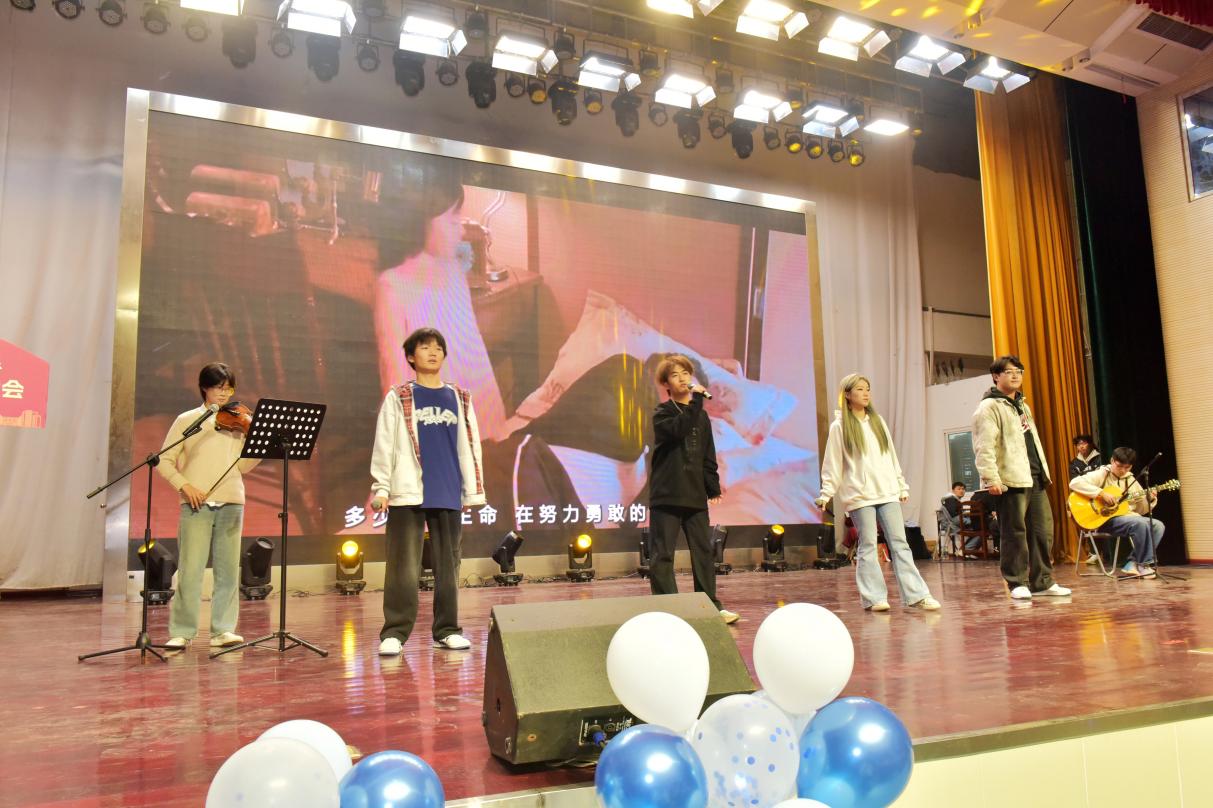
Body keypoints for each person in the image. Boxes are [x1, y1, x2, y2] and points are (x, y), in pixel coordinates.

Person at [371, 327, 486, 655]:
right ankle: (394, 632)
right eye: (424, 347)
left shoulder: (459, 397)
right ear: (411, 357)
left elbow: (470, 446)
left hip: (447, 490)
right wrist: (381, 488)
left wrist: (472, 490)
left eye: (438, 347)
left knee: (448, 567)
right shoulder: (399, 396)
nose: (433, 352)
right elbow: (385, 444)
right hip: (407, 491)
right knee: (403, 566)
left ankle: (447, 629)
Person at [373, 165, 507, 441]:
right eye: (453, 219)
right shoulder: (392, 286)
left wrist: (494, 426)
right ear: (419, 222)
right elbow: (394, 379)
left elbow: (476, 358)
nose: (461, 230)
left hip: (479, 427)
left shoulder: (454, 272)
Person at [157, 363, 260, 650]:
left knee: (227, 571)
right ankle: (182, 631)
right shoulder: (186, 420)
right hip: (196, 501)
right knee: (190, 570)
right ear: (204, 388)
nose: (224, 394)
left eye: (229, 388)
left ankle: (223, 630)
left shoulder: (240, 422)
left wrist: (258, 448)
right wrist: (185, 485)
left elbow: (243, 467)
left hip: (232, 501)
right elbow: (164, 460)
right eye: (218, 388)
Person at [817, 374, 940, 612]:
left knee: (900, 544)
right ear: (847, 394)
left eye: (868, 389)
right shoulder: (839, 427)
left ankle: (917, 595)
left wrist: (901, 485)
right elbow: (833, 464)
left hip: (887, 493)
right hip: (860, 496)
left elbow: (890, 456)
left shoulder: (877, 421)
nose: (866, 393)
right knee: (868, 545)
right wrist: (826, 493)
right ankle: (874, 598)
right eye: (860, 389)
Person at [647, 354, 739, 624]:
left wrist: (712, 486)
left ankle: (710, 606)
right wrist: (696, 402)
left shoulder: (702, 417)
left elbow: (707, 454)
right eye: (675, 375)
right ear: (666, 384)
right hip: (667, 494)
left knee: (703, 552)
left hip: (694, 495)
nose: (683, 379)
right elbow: (678, 430)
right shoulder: (662, 413)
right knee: (663, 553)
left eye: (686, 373)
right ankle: (669, 608)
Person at [972, 355, 1071, 601]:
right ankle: (1017, 581)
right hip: (1010, 479)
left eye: (1019, 371)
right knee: (1014, 532)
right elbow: (984, 446)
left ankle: (1043, 581)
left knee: (1042, 531)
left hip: (1034, 476)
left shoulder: (1022, 405)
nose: (1015, 375)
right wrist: (991, 478)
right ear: (996, 376)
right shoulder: (989, 407)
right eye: (1009, 371)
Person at [1069, 447, 1165, 578]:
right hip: (1102, 519)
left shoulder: (1130, 480)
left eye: (1127, 467)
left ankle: (1133, 562)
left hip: (1127, 518)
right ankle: (1143, 564)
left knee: (1158, 525)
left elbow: (1140, 510)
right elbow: (1074, 483)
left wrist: (1150, 499)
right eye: (1119, 466)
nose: (1123, 471)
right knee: (1140, 524)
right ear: (1112, 461)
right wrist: (1101, 493)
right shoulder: (1102, 474)